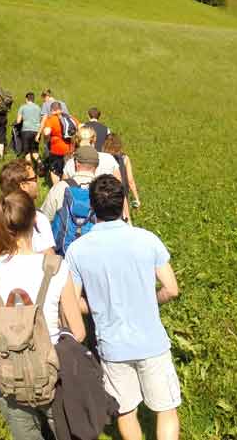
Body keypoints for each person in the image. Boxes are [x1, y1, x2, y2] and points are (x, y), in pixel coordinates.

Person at [66, 176, 182, 440]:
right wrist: (147, 299)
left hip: (112, 346)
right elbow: (172, 289)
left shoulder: (77, 250)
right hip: (152, 341)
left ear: (93, 207)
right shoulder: (147, 239)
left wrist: (97, 306)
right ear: (123, 204)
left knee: (125, 411)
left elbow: (72, 303)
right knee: (166, 410)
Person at [0, 190, 86, 440]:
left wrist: (9, 325)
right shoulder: (55, 267)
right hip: (53, 370)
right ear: (35, 220)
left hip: (9, 374)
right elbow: (78, 332)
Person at [0, 159, 56, 263]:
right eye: (34, 179)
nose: (37, 182)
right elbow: (50, 260)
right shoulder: (38, 219)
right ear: (23, 186)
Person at [41, 145, 100, 255]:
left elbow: (44, 219)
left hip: (63, 253)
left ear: (76, 163)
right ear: (96, 166)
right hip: (93, 254)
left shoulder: (60, 187)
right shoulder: (102, 189)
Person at [104, 134, 142, 220]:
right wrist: (136, 198)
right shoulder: (124, 158)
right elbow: (130, 180)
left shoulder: (101, 157)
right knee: (123, 216)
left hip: (105, 191)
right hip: (121, 191)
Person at [39, 101, 72, 184]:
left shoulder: (51, 119)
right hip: (70, 149)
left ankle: (57, 190)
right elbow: (80, 127)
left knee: (55, 170)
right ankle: (67, 188)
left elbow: (47, 132)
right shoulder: (69, 118)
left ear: (52, 110)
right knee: (67, 169)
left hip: (56, 150)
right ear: (61, 109)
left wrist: (46, 138)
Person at [16, 92, 43, 169]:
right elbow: (41, 120)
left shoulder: (23, 107)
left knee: (27, 151)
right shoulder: (38, 108)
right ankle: (40, 164)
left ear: (26, 99)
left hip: (26, 131)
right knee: (35, 150)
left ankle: (30, 168)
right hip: (36, 131)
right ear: (33, 99)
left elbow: (18, 121)